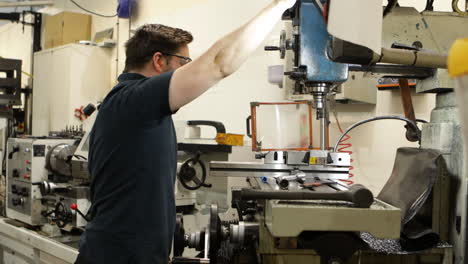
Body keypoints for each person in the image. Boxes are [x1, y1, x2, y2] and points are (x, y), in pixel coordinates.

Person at [75, 0, 297, 263]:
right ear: (159, 60)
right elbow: (218, 64)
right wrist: (280, 5)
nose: (187, 68)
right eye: (184, 61)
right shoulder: (134, 100)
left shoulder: (135, 105)